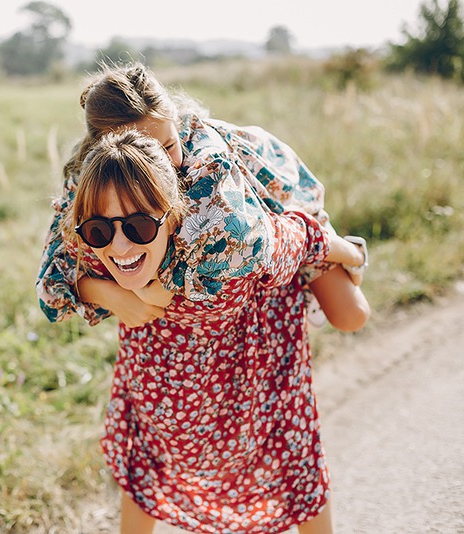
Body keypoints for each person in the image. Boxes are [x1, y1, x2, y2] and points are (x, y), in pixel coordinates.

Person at [55, 128, 362, 533]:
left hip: (258, 380)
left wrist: (350, 252)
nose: (119, 247)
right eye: (99, 231)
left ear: (174, 215)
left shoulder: (233, 248)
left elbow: (299, 235)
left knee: (296, 469)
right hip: (161, 396)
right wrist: (110, 294)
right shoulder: (93, 238)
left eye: (140, 228)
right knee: (144, 470)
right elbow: (52, 282)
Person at [38, 61, 369, 332]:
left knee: (351, 316)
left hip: (281, 204)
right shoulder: (89, 176)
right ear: (105, 152)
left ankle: (344, 247)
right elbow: (49, 286)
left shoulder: (205, 166)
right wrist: (109, 294)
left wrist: (159, 288)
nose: (163, 164)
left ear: (176, 125)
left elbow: (243, 246)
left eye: (168, 146)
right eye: (144, 155)